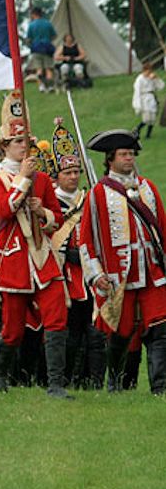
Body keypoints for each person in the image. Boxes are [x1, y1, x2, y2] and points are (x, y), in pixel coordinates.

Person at [0, 91, 70, 398]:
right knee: (14, 327)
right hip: (13, 257)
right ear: (5, 145)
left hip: (42, 255)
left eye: (27, 141)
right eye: (19, 142)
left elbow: (56, 218)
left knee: (57, 315)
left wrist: (41, 212)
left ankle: (56, 383)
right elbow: (3, 209)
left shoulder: (43, 179)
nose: (25, 146)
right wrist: (22, 180)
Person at [79, 129, 166, 394]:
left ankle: (160, 388)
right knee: (121, 330)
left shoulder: (147, 187)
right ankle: (116, 382)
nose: (129, 159)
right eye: (124, 154)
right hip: (121, 274)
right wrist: (95, 274)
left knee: (161, 326)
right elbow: (86, 240)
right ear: (110, 159)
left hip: (152, 270)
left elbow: (161, 227)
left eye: (131, 154)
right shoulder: (98, 193)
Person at [50, 123, 105, 389]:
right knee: (70, 335)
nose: (73, 177)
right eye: (68, 172)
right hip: (64, 276)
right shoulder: (50, 203)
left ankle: (94, 383)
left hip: (91, 274)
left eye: (76, 172)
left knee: (95, 334)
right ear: (57, 175)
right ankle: (69, 380)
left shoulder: (90, 199)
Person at [26, 7, 57, 92]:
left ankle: (41, 86)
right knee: (48, 68)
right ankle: (50, 86)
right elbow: (54, 36)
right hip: (47, 48)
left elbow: (29, 38)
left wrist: (31, 44)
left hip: (36, 48)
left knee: (39, 69)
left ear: (34, 14)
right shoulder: (48, 23)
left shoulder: (31, 25)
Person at [132, 62, 164, 139]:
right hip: (144, 99)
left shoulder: (151, 78)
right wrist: (138, 105)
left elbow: (161, 86)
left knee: (152, 118)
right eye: (148, 71)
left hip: (151, 99)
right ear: (144, 70)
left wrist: (156, 79)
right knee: (146, 119)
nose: (149, 73)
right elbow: (137, 92)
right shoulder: (139, 79)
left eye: (150, 71)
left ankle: (148, 135)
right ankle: (137, 129)